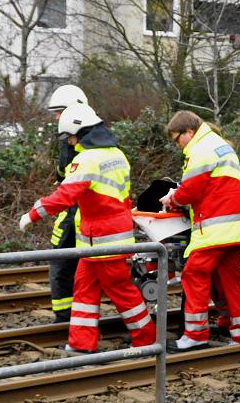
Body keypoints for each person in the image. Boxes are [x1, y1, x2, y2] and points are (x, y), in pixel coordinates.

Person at [20, 104, 156, 353]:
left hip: (103, 242)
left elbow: (65, 195)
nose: (70, 143)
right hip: (105, 239)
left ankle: (146, 340)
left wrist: (33, 213)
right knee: (84, 291)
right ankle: (82, 344)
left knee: (122, 293)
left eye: (70, 137)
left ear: (80, 132)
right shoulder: (117, 154)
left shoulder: (86, 160)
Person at [159, 110, 240, 352]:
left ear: (188, 132)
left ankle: (195, 335)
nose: (176, 145)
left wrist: (172, 199)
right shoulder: (218, 144)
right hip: (235, 228)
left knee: (193, 275)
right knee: (228, 281)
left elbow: (190, 190)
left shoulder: (201, 150)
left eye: (176, 139)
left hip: (216, 228)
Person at [44, 85, 89, 323]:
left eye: (59, 111)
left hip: (81, 212)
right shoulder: (69, 139)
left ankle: (68, 317)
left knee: (66, 263)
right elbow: (63, 172)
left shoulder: (86, 140)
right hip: (72, 210)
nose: (56, 117)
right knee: (65, 263)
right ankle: (67, 315)